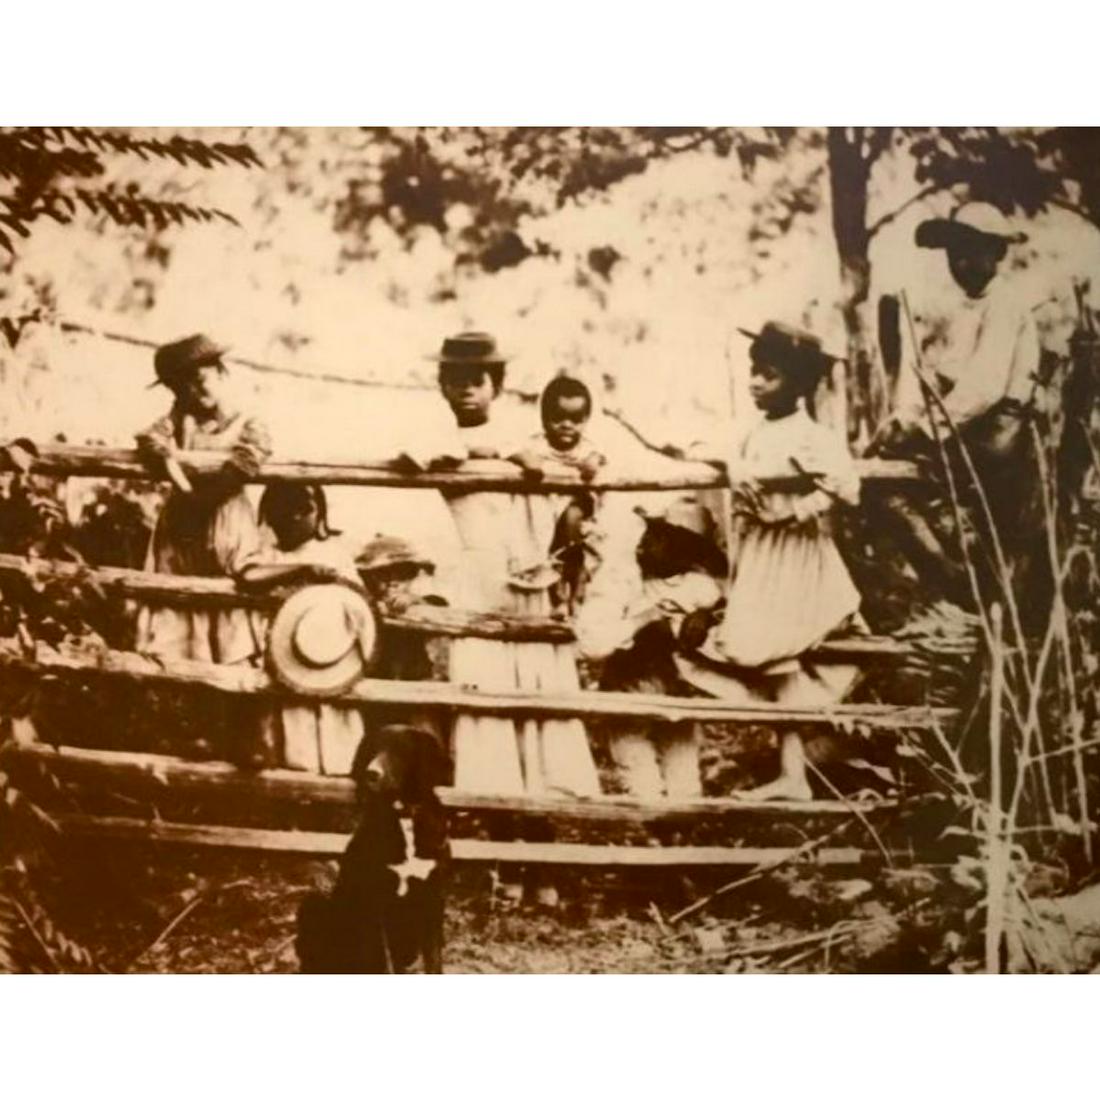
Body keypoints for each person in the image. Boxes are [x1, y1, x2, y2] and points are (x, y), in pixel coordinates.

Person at [400, 332, 601, 802]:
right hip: (476, 576)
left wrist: (510, 456)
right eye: (457, 381)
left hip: (523, 571)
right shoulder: (439, 437)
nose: (467, 391)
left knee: (535, 673)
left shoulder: (519, 435)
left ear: (497, 386)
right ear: (442, 386)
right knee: (485, 678)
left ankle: (546, 798)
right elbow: (412, 458)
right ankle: (494, 802)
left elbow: (552, 467)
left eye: (478, 381)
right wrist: (480, 453)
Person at [690, 322, 863, 802]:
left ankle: (803, 769)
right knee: (774, 660)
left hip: (797, 556)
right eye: (754, 372)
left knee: (763, 647)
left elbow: (847, 487)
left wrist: (796, 511)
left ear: (799, 384)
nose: (756, 383)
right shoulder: (753, 432)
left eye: (769, 375)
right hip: (760, 556)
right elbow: (698, 446)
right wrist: (734, 466)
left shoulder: (811, 436)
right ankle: (793, 775)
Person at [871, 202, 1041, 607]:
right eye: (953, 254)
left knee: (888, 482)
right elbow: (934, 376)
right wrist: (904, 418)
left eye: (971, 252)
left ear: (997, 252)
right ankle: (950, 576)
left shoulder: (1006, 304)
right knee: (877, 472)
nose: (960, 263)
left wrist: (924, 432)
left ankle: (957, 581)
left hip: (997, 433)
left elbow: (984, 387)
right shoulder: (960, 308)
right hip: (964, 426)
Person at [134, 334, 273, 764]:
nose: (197, 391)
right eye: (185, 386)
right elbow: (150, 441)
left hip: (226, 526)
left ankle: (244, 736)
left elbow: (248, 460)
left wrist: (202, 501)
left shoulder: (246, 420)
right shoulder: (177, 421)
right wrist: (176, 476)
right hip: (182, 536)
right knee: (186, 625)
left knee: (234, 626)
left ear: (219, 372)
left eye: (202, 379)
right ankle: (194, 729)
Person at [577, 498, 727, 800]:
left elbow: (723, 614)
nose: (646, 544)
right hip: (629, 688)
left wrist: (706, 617)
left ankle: (682, 820)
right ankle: (652, 817)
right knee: (641, 781)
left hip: (677, 690)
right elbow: (593, 642)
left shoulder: (698, 585)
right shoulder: (622, 577)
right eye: (649, 533)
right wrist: (643, 621)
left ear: (686, 552)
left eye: (662, 538)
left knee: (685, 783)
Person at [243, 482, 365, 774]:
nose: (296, 519)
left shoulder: (334, 554)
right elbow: (248, 576)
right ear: (270, 517)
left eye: (304, 510)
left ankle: (339, 773)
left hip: (330, 655)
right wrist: (301, 570)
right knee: (291, 721)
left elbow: (360, 603)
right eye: (285, 512)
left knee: (334, 718)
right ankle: (295, 777)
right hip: (283, 657)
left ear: (318, 513)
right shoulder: (269, 557)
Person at [513, 374, 606, 616]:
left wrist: (593, 463)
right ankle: (558, 597)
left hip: (576, 507)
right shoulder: (536, 445)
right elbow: (515, 452)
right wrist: (527, 461)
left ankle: (576, 589)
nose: (567, 425)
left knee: (572, 524)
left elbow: (599, 458)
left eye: (576, 419)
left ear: (586, 420)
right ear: (544, 419)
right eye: (558, 418)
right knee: (544, 542)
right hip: (545, 508)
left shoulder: (587, 447)